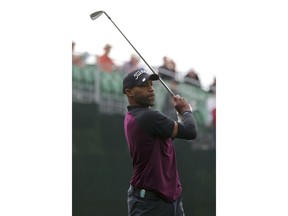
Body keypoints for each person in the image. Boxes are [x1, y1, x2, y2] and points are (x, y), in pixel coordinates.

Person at [122, 68, 198, 216]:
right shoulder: (148, 117)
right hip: (151, 203)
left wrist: (179, 114)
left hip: (167, 198)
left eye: (151, 84)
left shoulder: (135, 116)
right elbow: (191, 131)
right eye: (144, 86)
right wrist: (186, 111)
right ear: (129, 92)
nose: (151, 89)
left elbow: (174, 130)